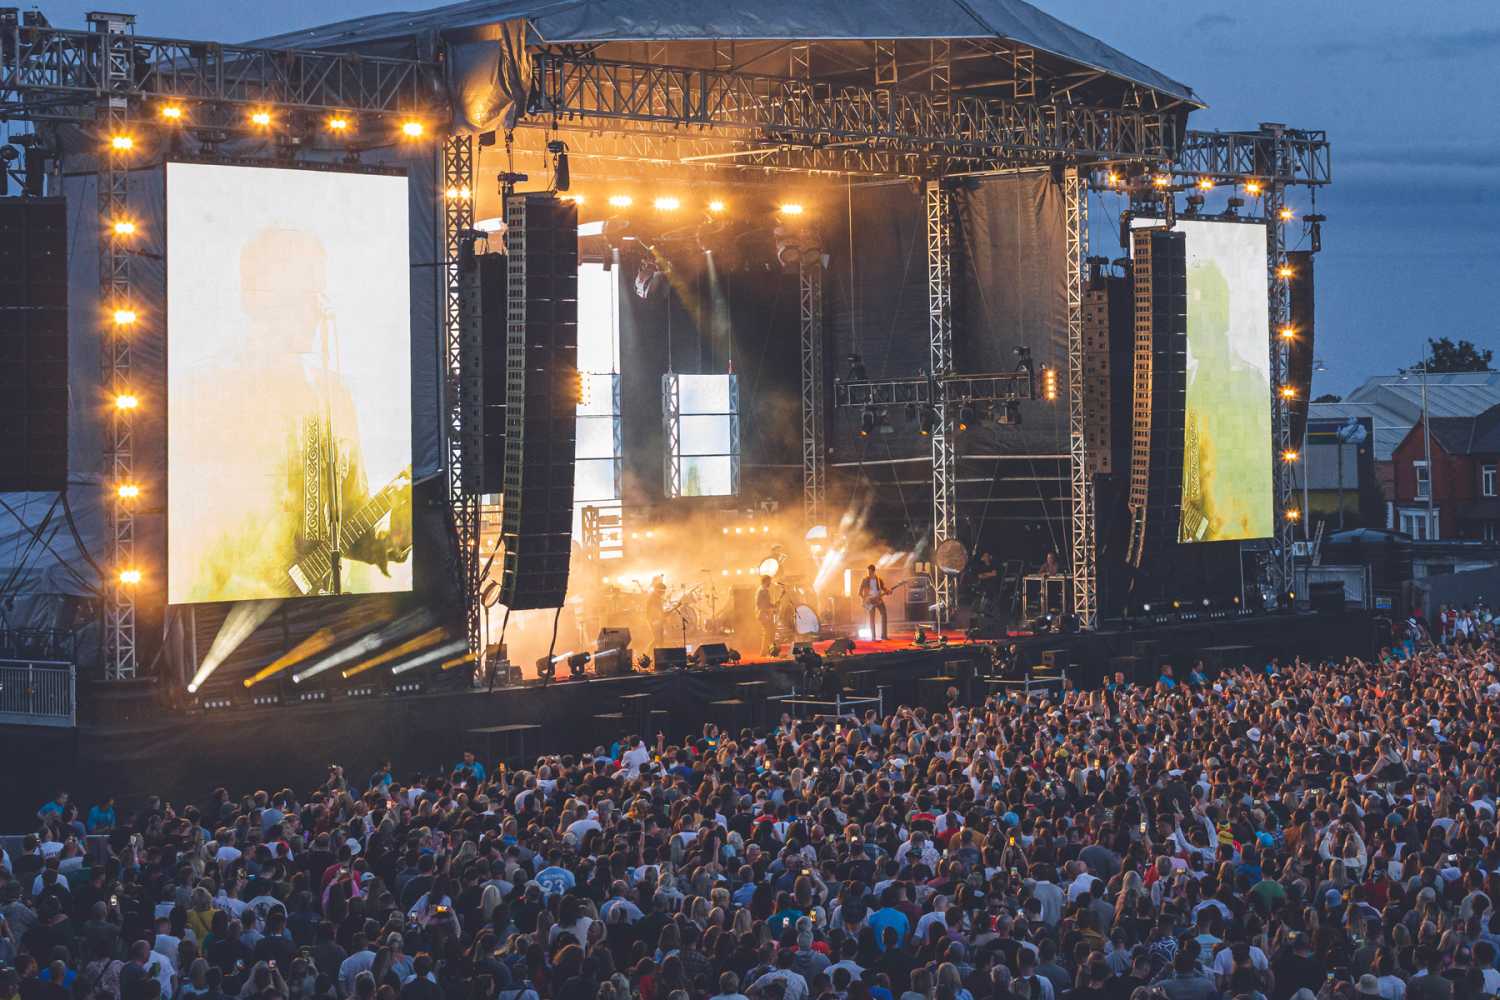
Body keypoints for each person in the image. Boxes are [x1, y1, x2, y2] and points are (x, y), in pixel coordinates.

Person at [859, 565, 890, 641]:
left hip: (878, 600)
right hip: (870, 601)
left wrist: (888, 591)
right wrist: (865, 599)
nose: (868, 573)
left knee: (884, 614)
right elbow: (859, 592)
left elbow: (883, 588)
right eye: (868, 571)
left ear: (873, 571)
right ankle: (873, 637)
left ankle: (884, 635)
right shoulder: (865, 580)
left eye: (870, 571)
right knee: (872, 618)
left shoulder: (879, 579)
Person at [756, 576, 777, 655]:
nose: (770, 583)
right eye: (769, 581)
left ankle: (767, 651)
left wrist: (773, 606)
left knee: (768, 632)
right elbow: (759, 604)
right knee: (767, 632)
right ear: (765, 581)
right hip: (763, 614)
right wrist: (767, 611)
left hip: (765, 613)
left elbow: (766, 604)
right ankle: (764, 651)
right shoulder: (761, 591)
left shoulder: (764, 590)